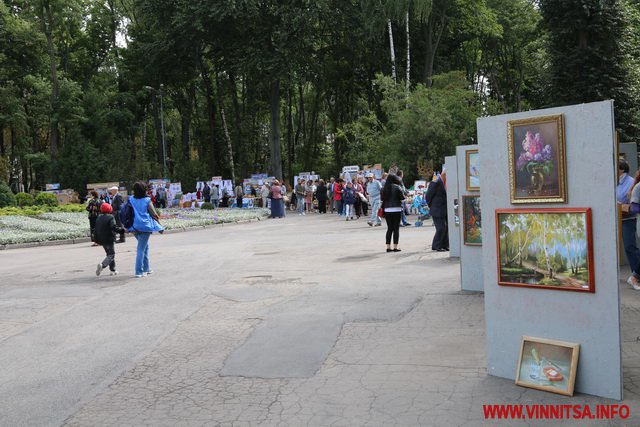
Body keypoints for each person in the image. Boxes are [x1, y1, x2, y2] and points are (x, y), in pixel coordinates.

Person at [129, 181, 164, 278]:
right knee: (141, 248)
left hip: (134, 227)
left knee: (145, 246)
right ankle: (139, 272)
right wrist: (160, 226)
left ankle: (147, 268)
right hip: (145, 227)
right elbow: (154, 215)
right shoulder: (147, 200)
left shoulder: (131, 199)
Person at [425, 170, 449, 251]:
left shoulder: (446, 184)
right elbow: (428, 196)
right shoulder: (435, 183)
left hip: (444, 209)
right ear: (444, 175)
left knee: (446, 227)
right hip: (437, 209)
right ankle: (436, 246)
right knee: (441, 228)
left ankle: (445, 245)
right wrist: (431, 206)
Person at [381, 174, 405, 252]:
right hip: (397, 209)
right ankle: (395, 247)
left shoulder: (384, 188)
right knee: (396, 229)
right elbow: (402, 199)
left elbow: (382, 200)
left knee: (389, 229)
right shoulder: (398, 187)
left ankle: (388, 247)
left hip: (387, 210)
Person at [94, 203, 118, 276]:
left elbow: (96, 229)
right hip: (109, 238)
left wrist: (96, 239)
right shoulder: (111, 217)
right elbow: (113, 227)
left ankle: (112, 270)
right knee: (111, 254)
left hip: (101, 239)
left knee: (109, 254)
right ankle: (102, 265)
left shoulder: (99, 217)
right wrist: (121, 230)